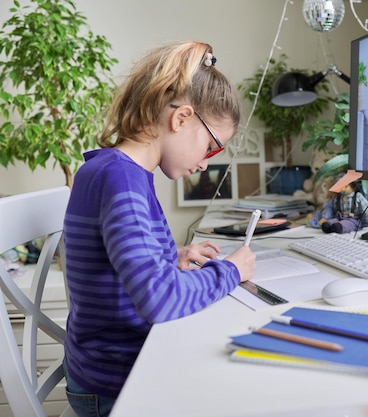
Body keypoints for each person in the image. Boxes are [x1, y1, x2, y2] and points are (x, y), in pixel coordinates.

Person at [62, 41, 256, 417]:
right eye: (212, 147)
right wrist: (231, 271)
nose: (204, 164)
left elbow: (112, 257)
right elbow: (160, 300)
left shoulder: (112, 168)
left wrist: (173, 255)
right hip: (116, 384)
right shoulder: (121, 180)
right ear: (182, 118)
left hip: (100, 369)